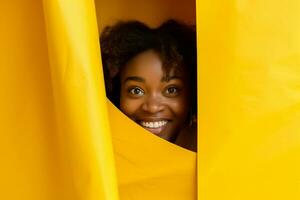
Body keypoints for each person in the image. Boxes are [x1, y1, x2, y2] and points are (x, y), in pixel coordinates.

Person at [100, 19, 197, 151]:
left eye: (171, 90)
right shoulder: (98, 158)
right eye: (136, 91)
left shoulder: (215, 160)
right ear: (117, 95)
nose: (152, 107)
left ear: (192, 95)